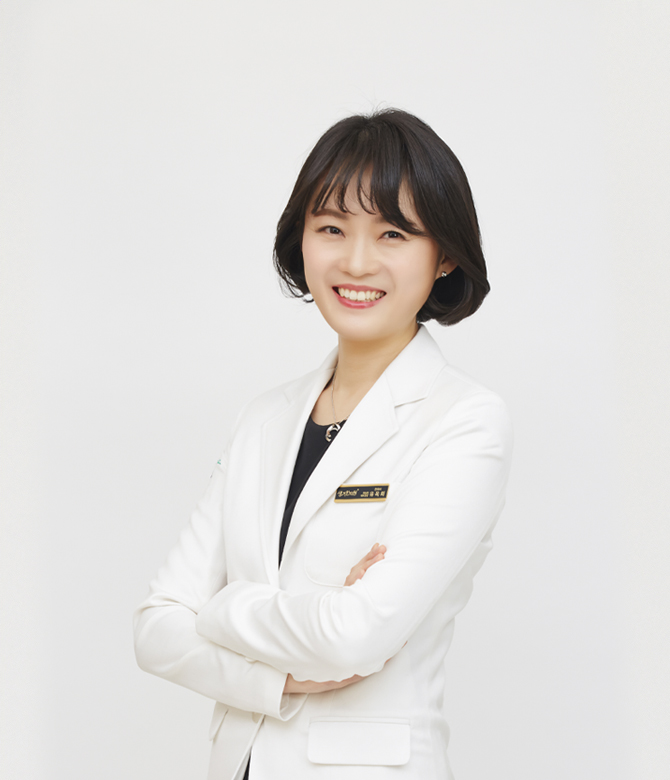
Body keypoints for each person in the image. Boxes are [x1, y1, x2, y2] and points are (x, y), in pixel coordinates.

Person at [133, 108, 513, 780]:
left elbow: (355, 636)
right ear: (301, 240)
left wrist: (223, 605)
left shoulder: (463, 421)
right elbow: (157, 629)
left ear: (445, 255)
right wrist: (275, 681)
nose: (356, 261)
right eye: (332, 228)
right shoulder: (263, 419)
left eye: (393, 233)